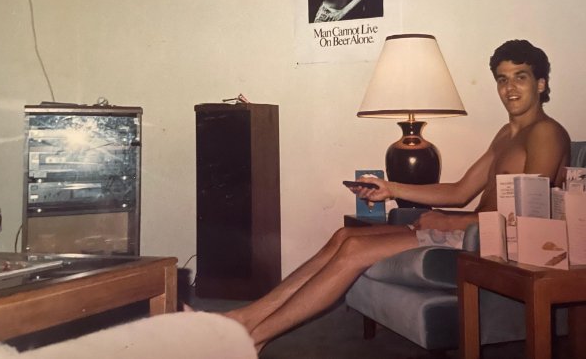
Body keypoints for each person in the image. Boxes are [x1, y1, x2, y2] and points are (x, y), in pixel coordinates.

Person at [224, 39, 570, 351]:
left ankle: (254, 339)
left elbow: (528, 215)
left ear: (540, 83)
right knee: (344, 236)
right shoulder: (507, 134)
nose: (509, 88)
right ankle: (245, 318)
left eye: (520, 77)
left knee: (355, 249)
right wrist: (390, 188)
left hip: (495, 245)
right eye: (502, 79)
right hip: (471, 232)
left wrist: (452, 222)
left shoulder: (545, 133)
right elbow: (460, 191)